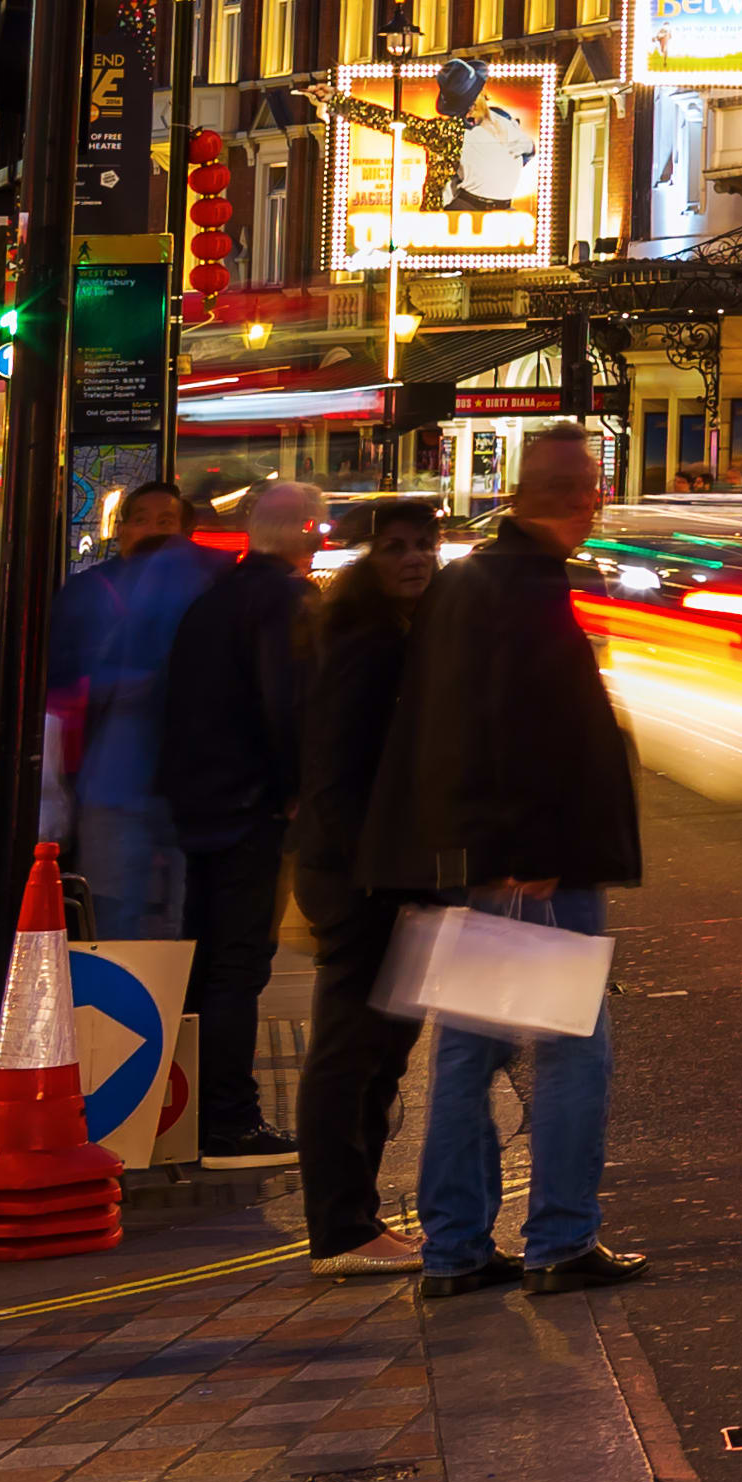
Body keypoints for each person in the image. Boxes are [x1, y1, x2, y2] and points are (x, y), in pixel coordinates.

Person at [363, 428, 646, 1300]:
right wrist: (525, 849)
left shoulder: (473, 579)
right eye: (592, 488)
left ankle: (453, 1250)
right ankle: (560, 1237)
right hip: (531, 865)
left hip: (483, 852)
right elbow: (516, 730)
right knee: (569, 1050)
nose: (598, 503)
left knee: (468, 1052)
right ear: (566, 492)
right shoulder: (523, 588)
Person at [293, 500, 443, 1278]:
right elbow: (339, 773)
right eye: (395, 547)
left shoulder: (400, 632)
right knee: (349, 1053)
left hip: (382, 869)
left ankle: (357, 1220)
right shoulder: (368, 640)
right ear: (368, 558)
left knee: (379, 1053)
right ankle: (341, 1227)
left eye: (424, 544)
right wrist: (367, 873)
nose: (414, 558)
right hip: (362, 875)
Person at [158, 478, 325, 1162]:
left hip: (199, 799)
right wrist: (295, 787)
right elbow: (289, 702)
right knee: (238, 961)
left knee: (204, 956)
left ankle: (193, 1110)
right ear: (306, 531)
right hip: (250, 803)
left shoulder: (217, 596)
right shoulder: (288, 598)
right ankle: (229, 1117)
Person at [51, 476, 207, 939]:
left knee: (177, 918)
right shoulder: (90, 592)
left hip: (183, 782)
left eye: (166, 520)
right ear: (120, 530)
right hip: (110, 780)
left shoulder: (206, 591)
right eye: (142, 520)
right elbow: (58, 677)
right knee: (112, 912)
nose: (153, 530)